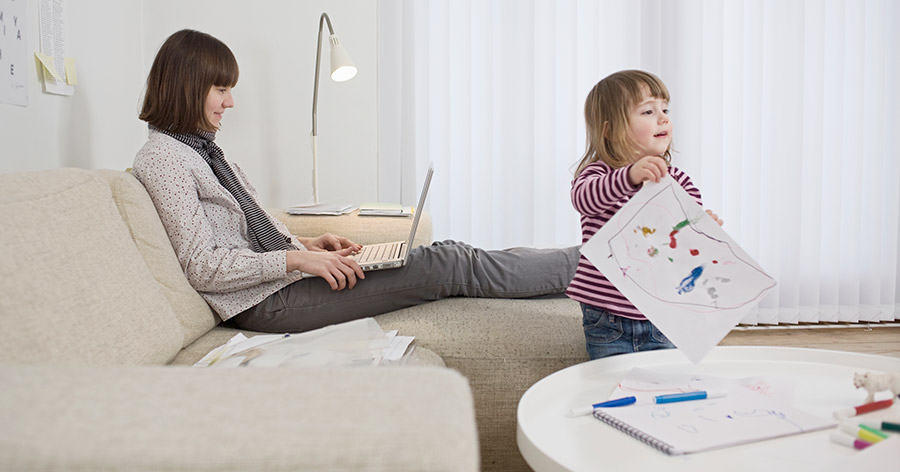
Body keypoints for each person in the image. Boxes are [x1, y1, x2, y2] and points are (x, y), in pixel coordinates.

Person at [133, 29, 579, 333]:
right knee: (449, 263)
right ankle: (594, 266)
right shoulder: (164, 158)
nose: (230, 102)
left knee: (447, 255)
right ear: (187, 87)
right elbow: (203, 267)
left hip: (275, 284)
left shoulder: (198, 149)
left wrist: (306, 244)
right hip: (262, 304)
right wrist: (295, 263)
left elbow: (239, 235)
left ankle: (582, 268)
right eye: (221, 89)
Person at [567, 70, 723, 360]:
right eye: (649, 111)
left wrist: (703, 227)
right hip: (608, 316)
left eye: (665, 109)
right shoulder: (600, 173)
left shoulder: (678, 180)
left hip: (663, 313)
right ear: (610, 130)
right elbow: (583, 200)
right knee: (612, 388)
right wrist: (628, 176)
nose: (663, 118)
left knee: (665, 384)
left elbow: (682, 243)